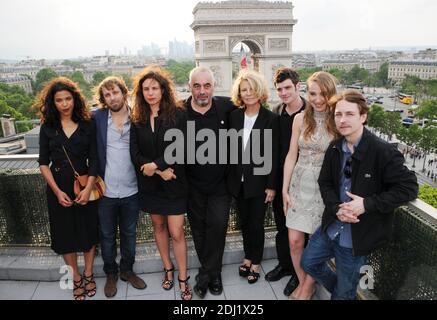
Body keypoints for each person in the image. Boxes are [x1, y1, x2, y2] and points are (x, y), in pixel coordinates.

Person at [301, 89, 418, 300]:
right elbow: (325, 182)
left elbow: (409, 188)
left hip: (357, 238)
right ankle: (344, 292)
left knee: (344, 291)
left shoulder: (383, 151)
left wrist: (366, 204)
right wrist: (336, 208)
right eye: (338, 114)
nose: (342, 120)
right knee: (308, 262)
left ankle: (344, 293)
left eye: (349, 114)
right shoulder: (335, 147)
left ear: (363, 116)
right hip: (332, 226)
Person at [130, 65, 192, 300]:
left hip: (175, 182)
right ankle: (168, 268)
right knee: (158, 227)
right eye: (146, 88)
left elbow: (183, 147)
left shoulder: (178, 114)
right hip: (151, 186)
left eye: (155, 87)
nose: (150, 92)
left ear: (163, 90)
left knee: (176, 232)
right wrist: (158, 172)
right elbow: (134, 155)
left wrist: (157, 166)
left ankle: (183, 277)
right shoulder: (137, 118)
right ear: (141, 92)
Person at [37, 77, 99, 300]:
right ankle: (75, 279)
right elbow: (43, 162)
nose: (64, 104)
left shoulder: (88, 124)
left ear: (75, 99)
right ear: (53, 103)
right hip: (58, 188)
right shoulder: (48, 127)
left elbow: (95, 159)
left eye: (68, 98)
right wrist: (56, 191)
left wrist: (88, 188)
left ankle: (89, 274)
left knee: (89, 232)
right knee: (65, 236)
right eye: (59, 100)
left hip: (85, 184)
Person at [282, 71, 339, 300]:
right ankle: (305, 282)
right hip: (298, 185)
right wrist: (284, 189)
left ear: (330, 94)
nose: (317, 99)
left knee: (316, 245)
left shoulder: (338, 120)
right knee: (295, 242)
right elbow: (290, 155)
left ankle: (306, 288)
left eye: (322, 94)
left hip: (324, 190)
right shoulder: (299, 119)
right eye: (312, 93)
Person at [184, 67, 236, 298]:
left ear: (214, 87)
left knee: (218, 227)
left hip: (220, 186)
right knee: (199, 231)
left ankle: (206, 275)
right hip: (192, 185)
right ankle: (212, 275)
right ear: (190, 88)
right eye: (197, 86)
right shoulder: (178, 113)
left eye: (207, 85)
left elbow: (256, 110)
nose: (202, 91)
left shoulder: (227, 107)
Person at [92, 76, 146, 298]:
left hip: (132, 189)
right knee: (106, 236)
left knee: (129, 234)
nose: (112, 97)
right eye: (107, 94)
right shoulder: (96, 118)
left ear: (124, 92)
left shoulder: (139, 117)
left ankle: (127, 271)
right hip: (105, 191)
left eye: (115, 92)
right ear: (103, 99)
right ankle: (111, 274)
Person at [227, 69, 279, 284]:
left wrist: (271, 185)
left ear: (259, 91)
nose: (247, 93)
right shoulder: (234, 116)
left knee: (256, 224)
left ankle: (255, 262)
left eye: (251, 89)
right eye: (243, 90)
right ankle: (248, 256)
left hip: (259, 183)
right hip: (237, 183)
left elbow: (274, 154)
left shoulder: (271, 119)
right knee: (245, 223)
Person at [265, 67, 307, 297]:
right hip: (282, 181)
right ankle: (285, 265)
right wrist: (272, 185)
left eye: (287, 88)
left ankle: (299, 273)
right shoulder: (275, 112)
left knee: (303, 232)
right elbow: (272, 153)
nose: (283, 93)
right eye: (279, 89)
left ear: (298, 86)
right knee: (282, 226)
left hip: (306, 182)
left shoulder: (312, 112)